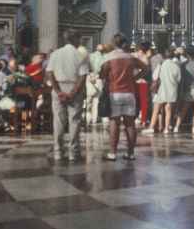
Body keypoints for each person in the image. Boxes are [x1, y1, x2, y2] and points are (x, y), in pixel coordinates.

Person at [100, 35, 146, 161]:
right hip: (129, 92)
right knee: (130, 124)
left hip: (114, 92)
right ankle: (130, 153)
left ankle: (113, 153)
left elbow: (102, 73)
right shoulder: (130, 57)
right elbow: (145, 68)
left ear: (114, 43)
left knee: (114, 122)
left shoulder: (109, 57)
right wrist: (134, 78)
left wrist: (109, 77)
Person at [46, 31, 90, 161]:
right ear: (76, 39)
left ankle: (58, 152)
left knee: (58, 121)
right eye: (79, 38)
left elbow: (50, 74)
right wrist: (72, 93)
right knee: (74, 121)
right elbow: (82, 77)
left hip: (58, 86)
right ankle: (73, 152)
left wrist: (58, 91)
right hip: (74, 87)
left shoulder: (55, 54)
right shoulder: (80, 55)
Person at [177, 47, 194, 134]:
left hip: (187, 88)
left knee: (184, 109)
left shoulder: (183, 64)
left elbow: (181, 78)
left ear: (187, 54)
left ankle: (177, 126)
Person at [84, 43, 106, 128]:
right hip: (98, 78)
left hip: (91, 78)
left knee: (89, 100)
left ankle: (87, 118)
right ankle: (94, 119)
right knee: (96, 101)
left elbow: (86, 67)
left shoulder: (90, 56)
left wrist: (90, 75)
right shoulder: (104, 57)